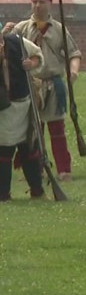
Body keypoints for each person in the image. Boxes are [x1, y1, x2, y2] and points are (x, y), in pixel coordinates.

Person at [2, 0, 83, 183]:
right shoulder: (21, 28)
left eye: (42, 2)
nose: (38, 5)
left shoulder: (59, 29)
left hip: (53, 85)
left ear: (49, 4)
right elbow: (5, 50)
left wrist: (73, 71)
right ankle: (35, 170)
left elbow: (74, 53)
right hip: (31, 86)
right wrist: (4, 33)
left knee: (57, 130)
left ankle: (63, 170)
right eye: (35, 2)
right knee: (32, 131)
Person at [0, 31, 46, 201]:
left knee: (29, 149)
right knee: (4, 152)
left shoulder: (16, 41)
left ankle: (37, 191)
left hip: (25, 106)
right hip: (4, 111)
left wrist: (31, 63)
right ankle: (3, 195)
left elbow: (37, 55)